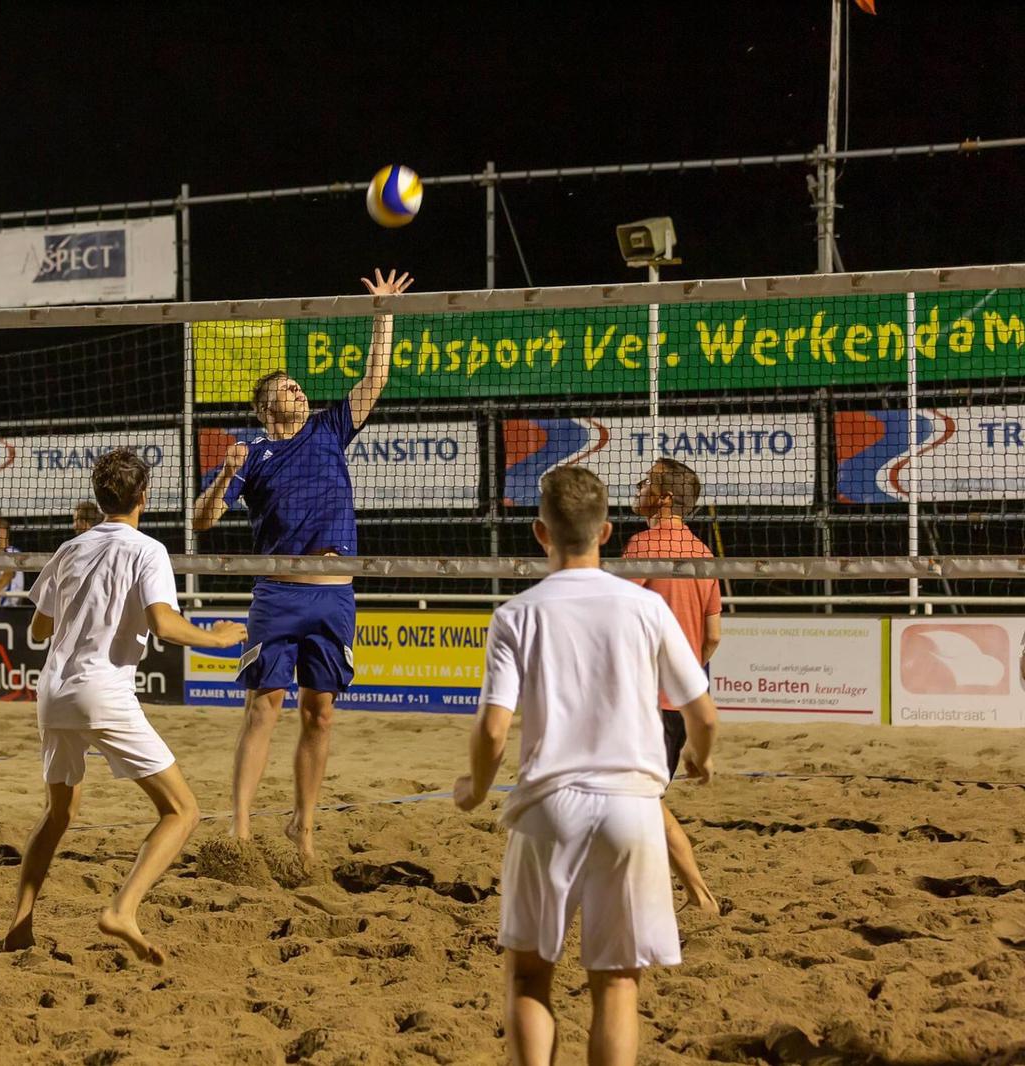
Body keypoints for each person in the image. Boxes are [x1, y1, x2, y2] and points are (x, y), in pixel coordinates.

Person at [453, 466, 718, 1066]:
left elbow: (494, 729)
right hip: (632, 807)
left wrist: (475, 789)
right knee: (618, 985)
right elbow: (703, 710)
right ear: (606, 531)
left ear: (540, 532)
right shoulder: (644, 609)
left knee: (527, 979)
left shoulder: (517, 614)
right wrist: (701, 757)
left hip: (548, 807)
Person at [191, 267, 413, 863]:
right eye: (284, 389)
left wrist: (383, 313)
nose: (296, 391)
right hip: (280, 593)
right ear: (265, 407)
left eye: (296, 386)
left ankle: (303, 826)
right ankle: (239, 827)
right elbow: (202, 523)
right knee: (264, 706)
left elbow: (376, 377)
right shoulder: (254, 453)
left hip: (334, 595)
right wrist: (222, 474)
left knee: (320, 713)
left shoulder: (328, 428)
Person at [5, 449, 246, 963]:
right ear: (144, 498)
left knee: (58, 813)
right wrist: (218, 638)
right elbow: (163, 625)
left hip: (52, 691)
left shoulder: (70, 549)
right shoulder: (148, 550)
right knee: (183, 811)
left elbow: (38, 628)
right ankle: (123, 909)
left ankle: (21, 925)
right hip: (102, 691)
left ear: (98, 499)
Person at [624, 458, 722, 915]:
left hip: (645, 701)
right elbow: (713, 635)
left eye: (648, 482)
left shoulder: (643, 545)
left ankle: (699, 896)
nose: (639, 486)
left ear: (664, 499)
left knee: (641, 800)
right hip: (684, 699)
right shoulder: (702, 554)